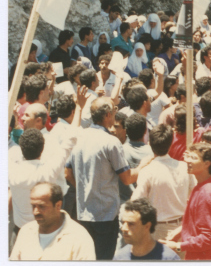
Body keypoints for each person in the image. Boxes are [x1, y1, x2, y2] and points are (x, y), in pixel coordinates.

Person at [65, 98, 143, 259]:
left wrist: (83, 189)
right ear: (108, 115)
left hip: (83, 212)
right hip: (105, 216)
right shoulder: (111, 142)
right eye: (114, 111)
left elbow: (68, 172)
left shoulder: (80, 137)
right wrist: (144, 165)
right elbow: (127, 179)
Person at [131, 124, 195, 255]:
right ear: (170, 143)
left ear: (150, 144)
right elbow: (195, 196)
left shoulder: (147, 171)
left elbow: (135, 203)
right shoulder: (185, 168)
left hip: (156, 229)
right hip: (181, 228)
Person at [159, 143, 211, 259]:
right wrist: (180, 231)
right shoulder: (202, 186)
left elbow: (209, 237)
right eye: (188, 157)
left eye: (194, 158)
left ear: (207, 164)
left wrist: (178, 246)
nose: (187, 161)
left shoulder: (207, 193)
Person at [10, 182, 96, 260]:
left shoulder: (79, 237)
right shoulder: (26, 231)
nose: (35, 212)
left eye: (42, 206)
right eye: (33, 206)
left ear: (58, 205)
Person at [114, 198, 180, 260]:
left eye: (131, 224)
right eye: (123, 223)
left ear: (147, 226)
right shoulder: (119, 258)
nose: (123, 228)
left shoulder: (169, 259)